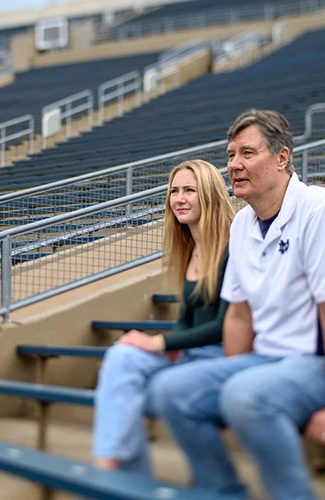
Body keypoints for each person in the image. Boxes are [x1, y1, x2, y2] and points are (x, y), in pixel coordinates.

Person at [151, 109, 325, 499]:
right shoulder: (242, 225)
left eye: (247, 153)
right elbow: (239, 316)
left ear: (281, 158)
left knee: (247, 396)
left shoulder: (319, 210)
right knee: (170, 391)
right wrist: (226, 380)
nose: (234, 165)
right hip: (268, 360)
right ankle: (224, 492)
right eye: (230, 155)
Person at [92, 159, 235, 475]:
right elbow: (187, 317)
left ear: (209, 195)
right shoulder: (191, 248)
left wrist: (161, 342)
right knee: (122, 357)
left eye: (189, 190)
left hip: (220, 354)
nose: (179, 199)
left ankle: (113, 472)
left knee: (132, 381)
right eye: (174, 191)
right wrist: (172, 344)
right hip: (192, 351)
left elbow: (225, 326)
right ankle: (118, 470)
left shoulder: (233, 245)